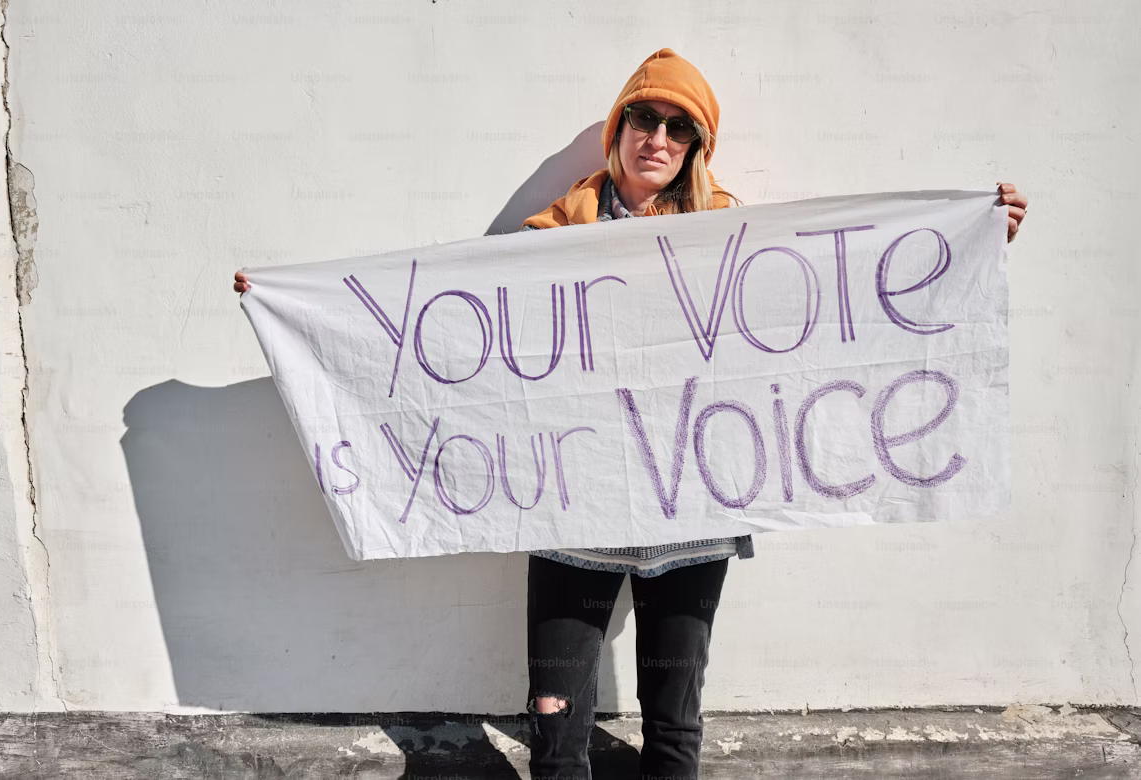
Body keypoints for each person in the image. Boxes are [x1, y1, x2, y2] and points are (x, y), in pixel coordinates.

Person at [233, 47, 1028, 780]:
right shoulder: (545, 240)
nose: (660, 137)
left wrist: (972, 239)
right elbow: (447, 333)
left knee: (675, 730)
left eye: (680, 128)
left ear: (696, 149)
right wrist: (299, 306)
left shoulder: (736, 241)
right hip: (572, 515)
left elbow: (827, 313)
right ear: (620, 131)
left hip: (693, 515)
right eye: (645, 119)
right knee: (556, 732)